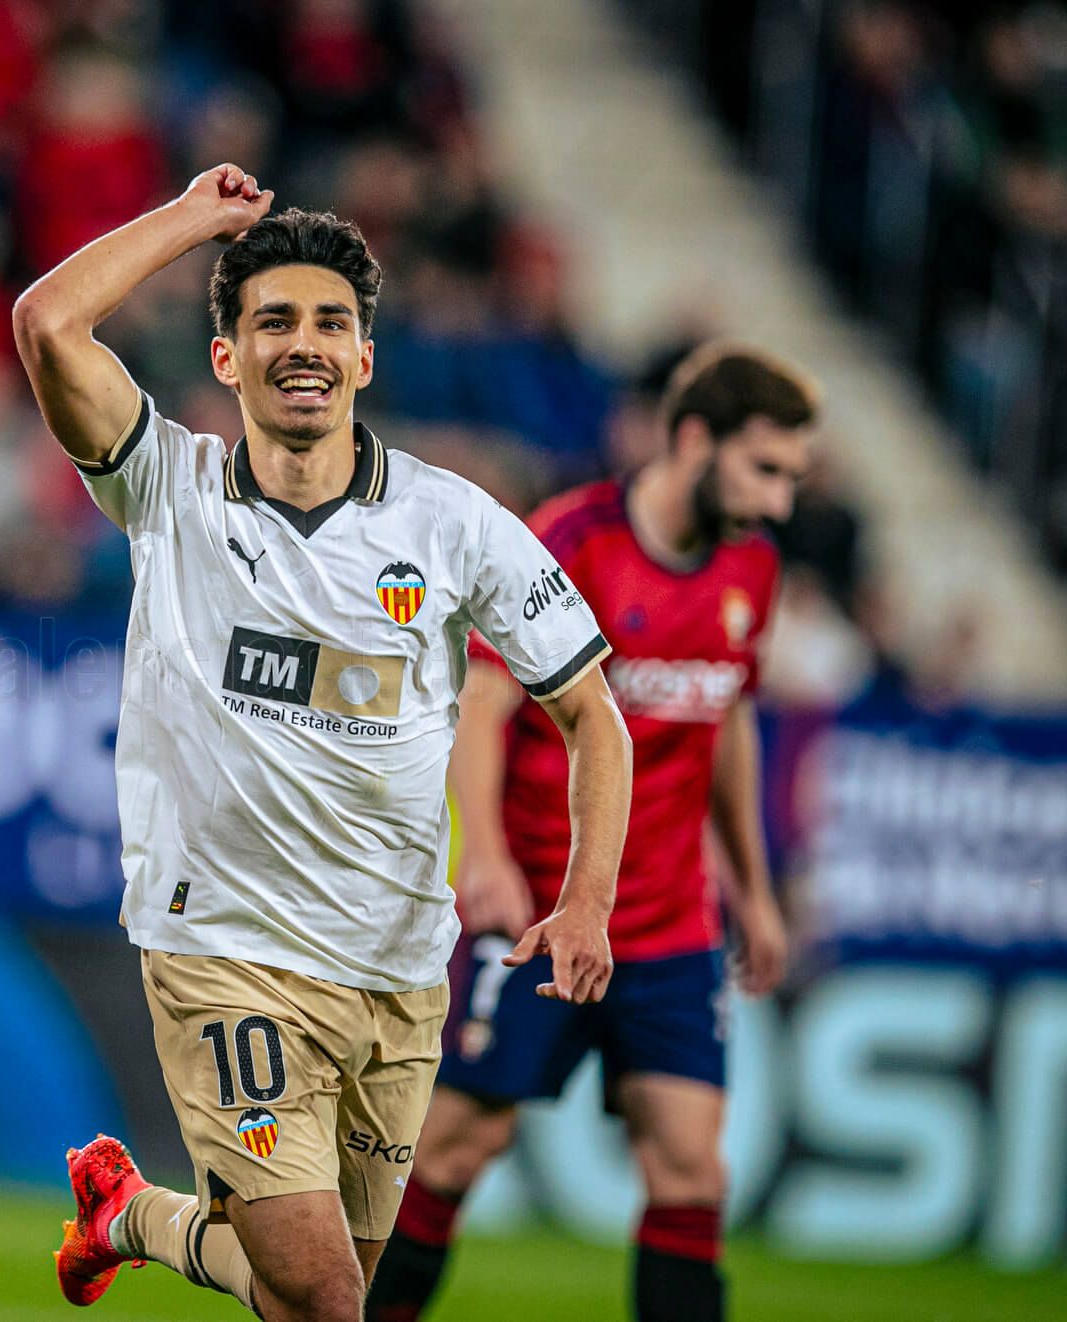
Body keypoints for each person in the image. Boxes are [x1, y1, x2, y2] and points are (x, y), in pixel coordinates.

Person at [12, 164, 634, 1322]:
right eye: (273, 321)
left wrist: (585, 893)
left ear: (362, 358)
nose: (303, 343)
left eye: (330, 324)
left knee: (306, 1289)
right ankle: (132, 1215)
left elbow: (590, 711)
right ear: (225, 357)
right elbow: (46, 321)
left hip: (396, 963)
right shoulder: (169, 487)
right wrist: (195, 221)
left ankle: (126, 1215)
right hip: (224, 949)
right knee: (324, 1293)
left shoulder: (452, 522)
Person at [366, 343, 818, 1322]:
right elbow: (481, 707)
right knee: (454, 1144)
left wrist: (752, 882)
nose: (778, 500)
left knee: (689, 1163)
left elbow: (726, 716)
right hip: (538, 905)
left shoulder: (751, 564)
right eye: (764, 469)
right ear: (693, 437)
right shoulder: (566, 543)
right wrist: (478, 853)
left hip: (666, 920)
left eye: (790, 475)